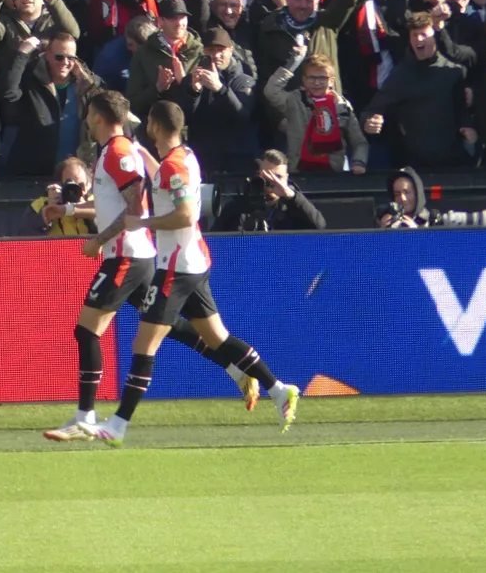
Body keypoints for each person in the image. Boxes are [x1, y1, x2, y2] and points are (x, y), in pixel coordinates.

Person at [42, 93, 256, 442]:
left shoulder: (120, 152)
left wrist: (99, 240)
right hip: (131, 254)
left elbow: (134, 206)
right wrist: (69, 212)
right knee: (168, 326)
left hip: (126, 255)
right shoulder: (111, 152)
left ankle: (85, 417)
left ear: (96, 117)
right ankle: (235, 369)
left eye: (89, 114)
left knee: (87, 331)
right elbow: (113, 205)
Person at [88, 100, 301, 446]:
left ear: (156, 126)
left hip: (175, 267)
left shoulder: (174, 166)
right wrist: (143, 154)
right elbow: (166, 181)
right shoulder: (184, 157)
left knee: (144, 347)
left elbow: (186, 215)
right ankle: (279, 389)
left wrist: (143, 222)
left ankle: (119, 424)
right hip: (193, 261)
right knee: (217, 338)